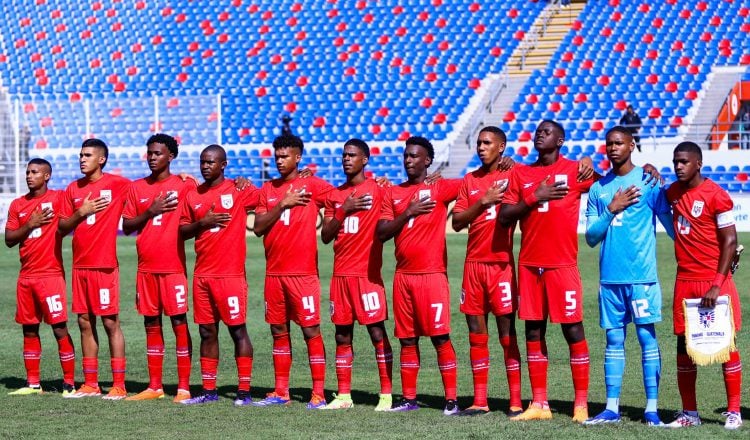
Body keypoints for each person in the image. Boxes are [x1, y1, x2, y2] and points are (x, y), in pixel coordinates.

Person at [499, 120, 596, 423]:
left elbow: (610, 185)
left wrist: (592, 162)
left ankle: (581, 403)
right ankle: (540, 403)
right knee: (533, 330)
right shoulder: (521, 173)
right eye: (538, 131)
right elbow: (504, 216)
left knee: (573, 329)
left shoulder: (575, 171)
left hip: (562, 264)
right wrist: (534, 197)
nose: (540, 134)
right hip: (530, 264)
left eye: (547, 131)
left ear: (561, 140)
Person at [583, 127, 675, 426]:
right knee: (613, 340)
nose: (613, 148)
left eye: (619, 143)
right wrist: (612, 209)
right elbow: (592, 237)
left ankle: (651, 408)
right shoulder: (599, 189)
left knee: (647, 338)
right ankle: (611, 407)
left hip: (641, 279)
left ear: (632, 145)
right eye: (609, 143)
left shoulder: (648, 182)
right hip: (610, 280)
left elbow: (672, 228)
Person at [376, 136, 462, 415]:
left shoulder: (439, 188)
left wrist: (505, 164)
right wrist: (408, 212)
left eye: (415, 156)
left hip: (432, 276)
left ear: (427, 161)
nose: (409, 160)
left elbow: (476, 183)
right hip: (403, 277)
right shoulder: (393, 193)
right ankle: (409, 398)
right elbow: (382, 233)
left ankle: (451, 400)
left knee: (440, 337)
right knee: (407, 339)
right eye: (406, 156)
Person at [664, 141, 743, 430]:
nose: (678, 167)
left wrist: (717, 284)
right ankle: (690, 413)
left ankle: (733, 410)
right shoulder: (672, 192)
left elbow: (730, 241)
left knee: (726, 344)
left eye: (684, 162)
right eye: (675, 162)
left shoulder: (716, 195)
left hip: (713, 281)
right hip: (684, 280)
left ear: (698, 163)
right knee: (684, 346)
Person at [252, 134, 334, 409]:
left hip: (303, 275)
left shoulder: (312, 185)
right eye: (276, 156)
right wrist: (282, 204)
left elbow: (342, 195)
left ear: (298, 158)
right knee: (278, 330)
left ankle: (319, 393)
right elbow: (259, 226)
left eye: (285, 156)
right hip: (274, 275)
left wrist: (378, 182)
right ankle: (281, 391)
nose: (279, 160)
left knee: (311, 331)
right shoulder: (267, 189)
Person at [177, 144, 259, 406]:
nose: (206, 166)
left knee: (238, 331)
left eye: (211, 162)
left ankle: (244, 392)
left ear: (223, 165)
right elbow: (182, 231)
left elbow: (271, 194)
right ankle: (210, 391)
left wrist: (301, 173)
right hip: (202, 275)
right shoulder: (193, 195)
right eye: (203, 162)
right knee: (206, 332)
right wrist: (202, 223)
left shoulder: (238, 189)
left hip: (230, 276)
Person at [451, 126, 523, 417]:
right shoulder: (470, 181)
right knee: (476, 333)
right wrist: (482, 201)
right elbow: (457, 222)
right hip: (473, 267)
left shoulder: (513, 175)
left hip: (501, 266)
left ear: (501, 147)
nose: (481, 147)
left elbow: (536, 178)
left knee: (507, 332)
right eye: (479, 143)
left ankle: (516, 401)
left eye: (487, 143)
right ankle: (480, 400)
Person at [320, 138, 393, 411]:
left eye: (352, 155)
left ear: (365, 159)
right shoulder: (334, 196)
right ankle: (344, 395)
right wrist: (343, 209)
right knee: (342, 335)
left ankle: (386, 395)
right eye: (343, 155)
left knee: (376, 332)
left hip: (366, 276)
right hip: (340, 277)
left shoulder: (378, 189)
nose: (346, 159)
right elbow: (326, 236)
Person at [121, 134, 195, 403]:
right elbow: (127, 227)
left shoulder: (185, 186)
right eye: (150, 153)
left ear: (171, 156)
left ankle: (184, 387)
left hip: (173, 267)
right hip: (146, 269)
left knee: (178, 322)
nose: (152, 157)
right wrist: (151, 211)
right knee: (151, 323)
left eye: (158, 153)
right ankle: (154, 386)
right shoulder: (136, 187)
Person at [58, 138, 130, 399]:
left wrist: (182, 178)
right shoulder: (72, 188)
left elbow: (148, 188)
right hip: (80, 266)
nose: (82, 159)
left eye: (88, 155)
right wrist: (81, 212)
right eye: (80, 155)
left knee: (110, 322)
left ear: (101, 159)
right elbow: (62, 227)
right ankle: (90, 384)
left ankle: (119, 385)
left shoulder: (118, 184)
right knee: (84, 322)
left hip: (104, 266)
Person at [5, 158, 76, 396]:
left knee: (59, 328)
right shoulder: (17, 205)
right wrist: (30, 224)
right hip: (26, 277)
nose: (29, 176)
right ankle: (33, 383)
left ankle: (69, 383)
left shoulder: (58, 198)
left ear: (46, 176)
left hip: (50, 275)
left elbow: (82, 193)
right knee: (29, 329)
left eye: (34, 172)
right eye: (27, 172)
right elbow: (9, 240)